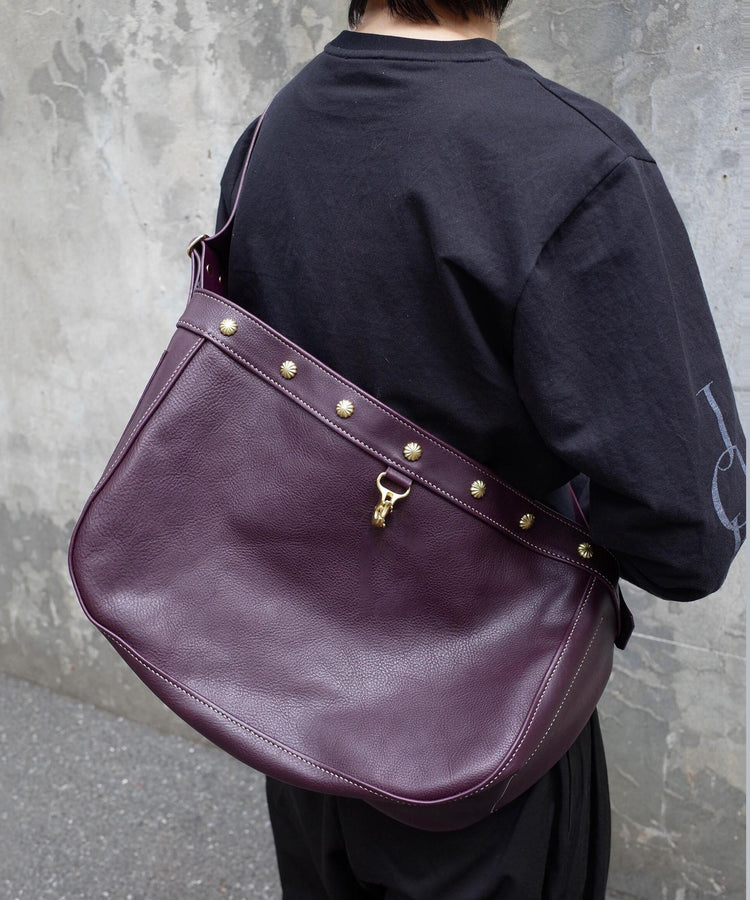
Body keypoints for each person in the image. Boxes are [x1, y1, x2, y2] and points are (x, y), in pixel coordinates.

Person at [214, 1, 746, 897]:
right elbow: (687, 534)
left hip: (300, 707)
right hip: (484, 737)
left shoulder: (272, 134)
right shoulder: (570, 160)